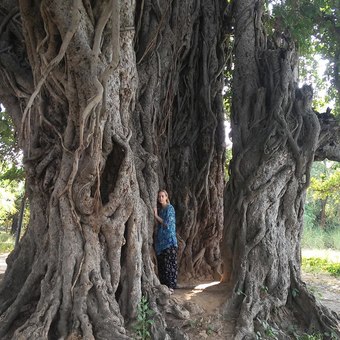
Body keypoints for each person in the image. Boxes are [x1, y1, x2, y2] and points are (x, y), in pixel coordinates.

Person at [154, 190, 178, 290]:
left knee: (170, 265)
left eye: (162, 196)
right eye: (159, 196)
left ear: (166, 197)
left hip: (169, 242)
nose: (160, 198)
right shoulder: (161, 210)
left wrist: (156, 216)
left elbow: (167, 223)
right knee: (163, 266)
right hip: (161, 244)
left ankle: (171, 287)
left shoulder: (169, 208)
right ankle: (165, 287)